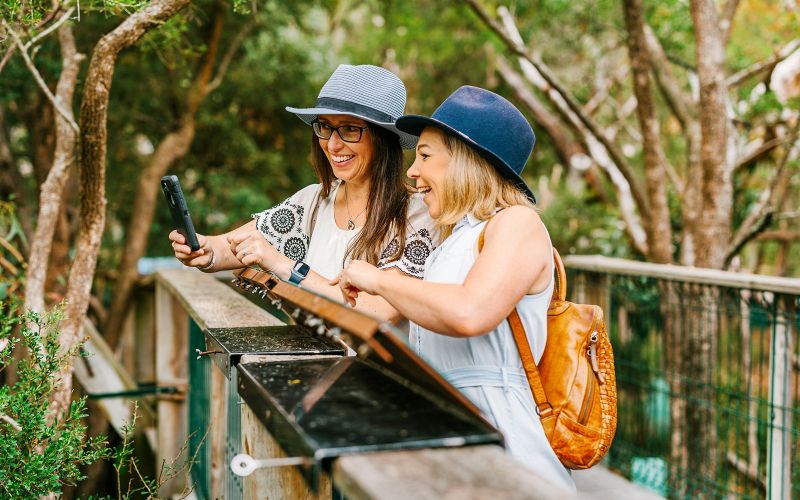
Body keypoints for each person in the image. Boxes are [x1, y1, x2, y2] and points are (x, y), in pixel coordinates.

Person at [335, 86, 575, 490]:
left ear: (467, 160)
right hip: (450, 438)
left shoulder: (517, 223)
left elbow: (469, 312)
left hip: (506, 447)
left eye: (425, 156)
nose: (412, 172)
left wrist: (379, 279)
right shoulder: (453, 241)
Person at [170, 64, 437, 321]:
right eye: (325, 127)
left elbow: (377, 311)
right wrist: (204, 251)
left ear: (383, 139)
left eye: (349, 129)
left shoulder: (418, 214)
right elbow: (232, 245)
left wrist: (288, 267)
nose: (332, 145)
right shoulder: (313, 202)